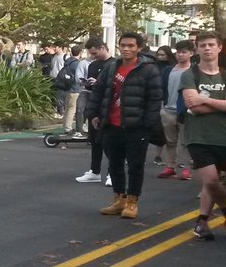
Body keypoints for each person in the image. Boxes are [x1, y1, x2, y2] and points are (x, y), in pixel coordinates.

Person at [88, 31, 163, 219]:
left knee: (135, 166)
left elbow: (155, 99)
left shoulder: (149, 69)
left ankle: (132, 202)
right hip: (111, 125)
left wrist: (147, 123)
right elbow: (98, 91)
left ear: (139, 48)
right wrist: (93, 113)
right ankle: (119, 199)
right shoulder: (111, 67)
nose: (126, 49)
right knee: (114, 165)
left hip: (136, 127)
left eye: (131, 46)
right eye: (123, 45)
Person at [180, 32, 226, 240]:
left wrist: (205, 100)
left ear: (219, 48)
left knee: (212, 182)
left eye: (211, 45)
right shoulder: (190, 74)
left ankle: (202, 221)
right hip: (198, 137)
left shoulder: (224, 75)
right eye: (203, 45)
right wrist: (220, 105)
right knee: (211, 180)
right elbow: (193, 106)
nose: (207, 48)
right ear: (197, 49)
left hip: (222, 136)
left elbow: (199, 104)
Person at [76, 40, 113, 183]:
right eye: (91, 53)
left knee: (109, 142)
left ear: (103, 48)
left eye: (95, 53)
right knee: (95, 140)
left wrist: (98, 83)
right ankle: (95, 171)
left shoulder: (114, 64)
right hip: (94, 105)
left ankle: (112, 173)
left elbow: (115, 86)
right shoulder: (92, 65)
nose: (93, 56)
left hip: (109, 107)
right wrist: (88, 84)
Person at [157, 40, 194, 180]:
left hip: (186, 112)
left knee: (185, 142)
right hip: (168, 110)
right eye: (178, 52)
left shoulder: (194, 71)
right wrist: (162, 106)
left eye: (184, 52)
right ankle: (170, 166)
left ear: (191, 53)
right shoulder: (169, 70)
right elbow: (162, 88)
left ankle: (186, 169)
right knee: (170, 141)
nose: (180, 55)